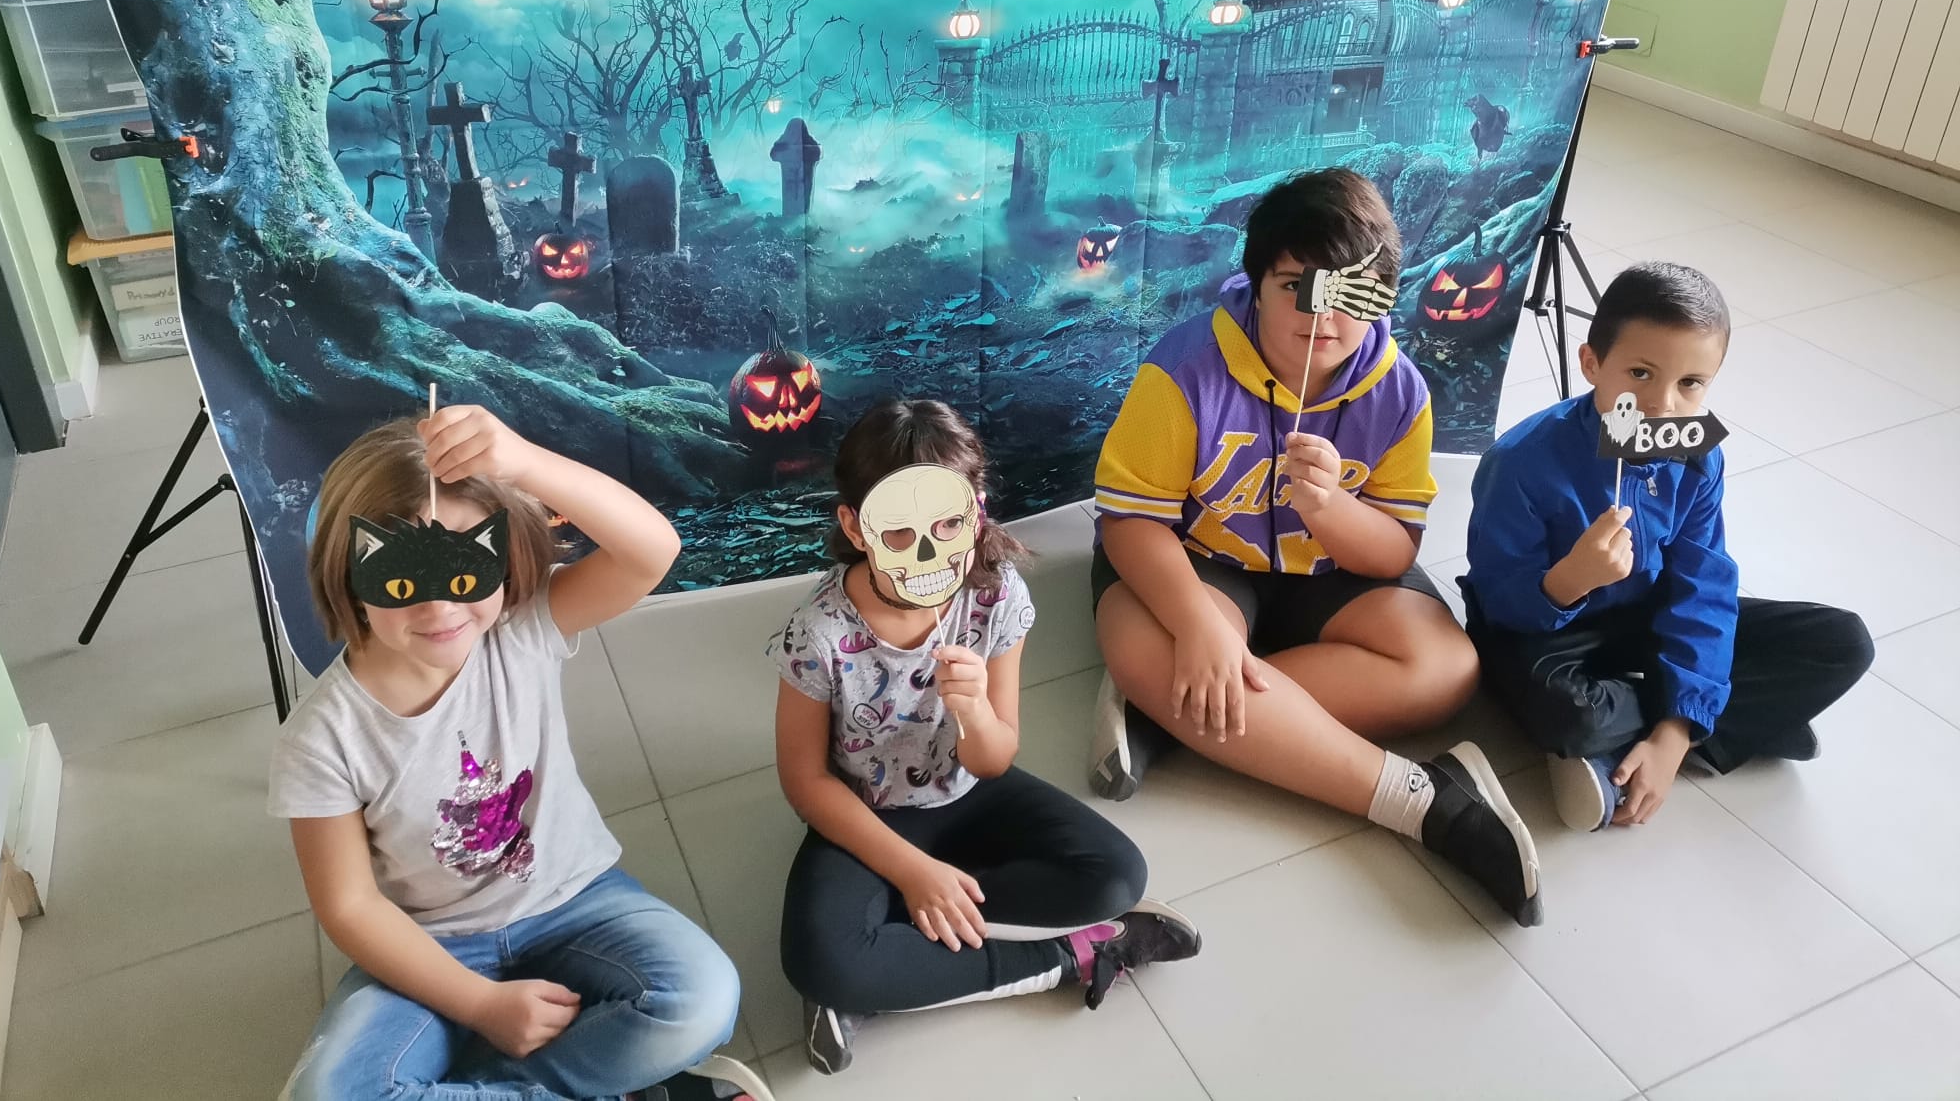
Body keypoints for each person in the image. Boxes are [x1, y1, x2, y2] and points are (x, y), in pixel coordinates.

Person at [270, 405, 769, 1101]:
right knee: (328, 1094)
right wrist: (479, 1005)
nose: (439, 610)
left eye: (464, 571)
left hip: (576, 901)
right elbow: (351, 907)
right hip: (431, 942)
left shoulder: (521, 630)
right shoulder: (320, 739)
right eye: (404, 582)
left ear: (503, 560)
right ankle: (614, 1085)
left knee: (700, 1000)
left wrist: (524, 462)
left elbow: (652, 550)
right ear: (348, 572)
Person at [1087, 167, 1543, 927]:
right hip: (1194, 558)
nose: (1321, 315)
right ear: (1257, 284)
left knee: (1446, 669)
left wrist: (1331, 510)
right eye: (1295, 286)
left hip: (1330, 573)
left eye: (1350, 293)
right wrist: (1200, 629)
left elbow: (1392, 553)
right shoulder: (1184, 371)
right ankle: (1423, 801)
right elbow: (1132, 522)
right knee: (1157, 649)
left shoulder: (1400, 392)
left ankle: (1173, 713)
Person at [775, 399, 1202, 1077]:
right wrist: (910, 871)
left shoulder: (995, 596)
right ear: (855, 526)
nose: (928, 551)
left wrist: (974, 713)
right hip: (868, 811)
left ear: (976, 509)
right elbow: (805, 782)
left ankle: (889, 955)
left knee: (1118, 876)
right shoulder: (820, 632)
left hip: (970, 791)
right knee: (820, 962)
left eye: (950, 524)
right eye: (899, 531)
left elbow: (997, 757)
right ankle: (1069, 955)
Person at [1463, 262, 1873, 831]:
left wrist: (1674, 735)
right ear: (1592, 363)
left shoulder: (1698, 455)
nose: (1662, 404)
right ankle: (1733, 718)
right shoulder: (1521, 461)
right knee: (1569, 712)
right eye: (1639, 373)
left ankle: (1668, 731)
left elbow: (1703, 586)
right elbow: (1499, 602)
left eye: (1691, 384)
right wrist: (1570, 580)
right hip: (1548, 632)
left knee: (1843, 642)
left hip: (1644, 617)